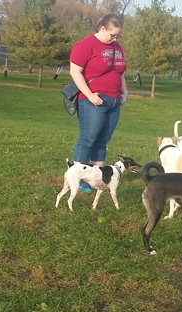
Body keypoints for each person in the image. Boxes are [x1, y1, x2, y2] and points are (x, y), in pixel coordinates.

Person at [69, 14, 128, 192]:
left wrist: (124, 92)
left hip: (114, 101)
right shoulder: (85, 45)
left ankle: (97, 178)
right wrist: (90, 95)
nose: (115, 39)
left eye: (118, 36)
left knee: (102, 141)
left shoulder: (116, 47)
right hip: (93, 101)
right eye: (112, 35)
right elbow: (75, 72)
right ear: (102, 28)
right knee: (88, 139)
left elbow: (120, 71)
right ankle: (79, 178)